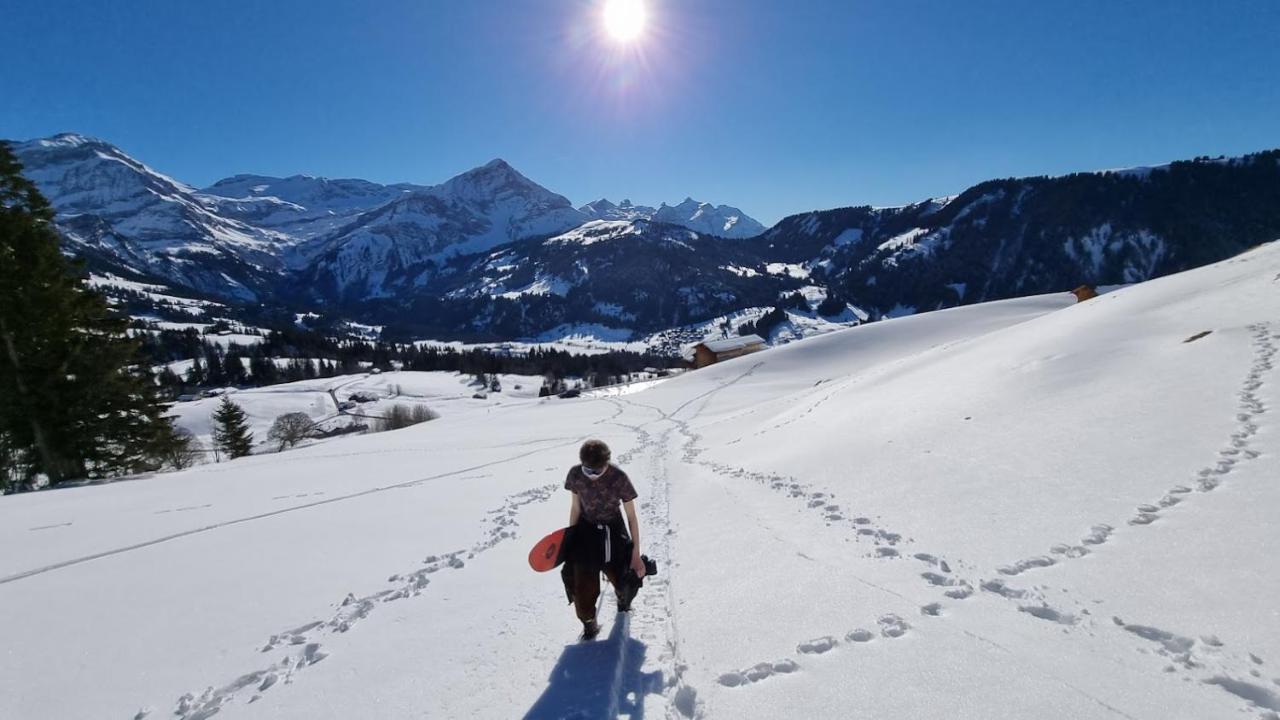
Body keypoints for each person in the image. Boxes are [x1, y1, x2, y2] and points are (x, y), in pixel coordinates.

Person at [561, 439, 647, 640]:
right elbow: (575, 507)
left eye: (597, 472)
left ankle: (623, 599)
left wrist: (636, 554)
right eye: (588, 471)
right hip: (586, 530)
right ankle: (589, 622)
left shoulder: (619, 478)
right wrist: (570, 539)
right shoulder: (575, 475)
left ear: (607, 464)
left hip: (613, 529)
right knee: (581, 584)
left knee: (627, 578)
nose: (591, 476)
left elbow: (632, 517)